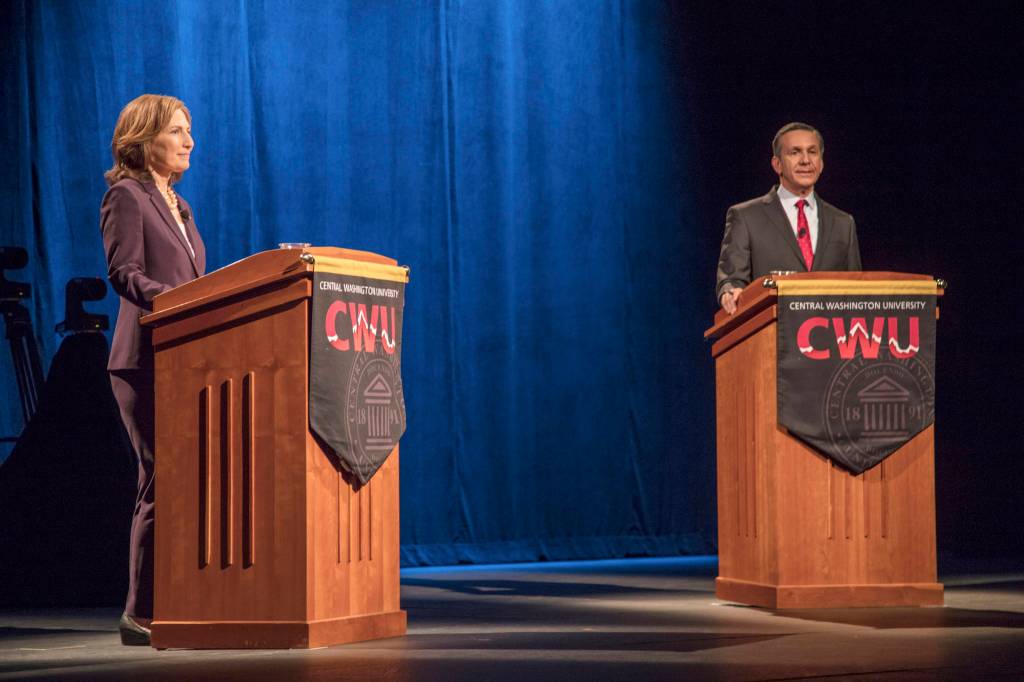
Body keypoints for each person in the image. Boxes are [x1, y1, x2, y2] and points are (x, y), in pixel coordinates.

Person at [101, 94, 206, 645]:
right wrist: (176, 301)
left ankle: (180, 599)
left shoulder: (181, 206)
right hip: (143, 360)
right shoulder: (127, 195)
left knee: (185, 480)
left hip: (185, 355)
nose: (190, 141)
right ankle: (139, 611)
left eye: (190, 131)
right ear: (144, 141)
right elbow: (124, 273)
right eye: (178, 131)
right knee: (162, 478)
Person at [716, 122, 862, 314]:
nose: (805, 160)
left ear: (822, 163)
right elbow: (731, 280)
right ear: (777, 164)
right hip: (772, 335)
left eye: (812, 152)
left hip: (831, 337)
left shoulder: (844, 223)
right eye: (795, 152)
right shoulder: (745, 217)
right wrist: (730, 292)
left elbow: (858, 292)